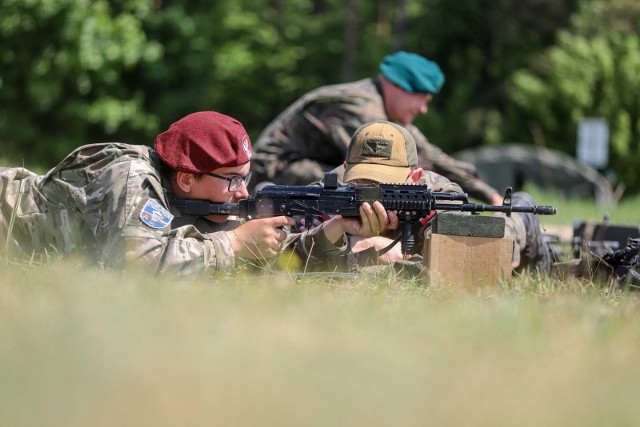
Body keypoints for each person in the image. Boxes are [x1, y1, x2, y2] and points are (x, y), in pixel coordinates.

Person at [0, 111, 396, 275]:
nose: (242, 191)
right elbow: (137, 263)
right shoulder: (130, 176)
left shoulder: (204, 199)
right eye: (231, 180)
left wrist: (333, 232)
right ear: (187, 178)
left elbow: (263, 261)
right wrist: (232, 246)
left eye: (246, 176)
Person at [251, 50, 503, 205]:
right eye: (422, 99)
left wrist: (490, 196)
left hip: (305, 168)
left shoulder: (384, 112)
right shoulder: (362, 108)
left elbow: (428, 155)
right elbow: (389, 165)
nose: (424, 109)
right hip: (273, 176)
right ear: (398, 87)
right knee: (372, 183)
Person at [311, 120, 552, 275]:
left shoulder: (440, 195)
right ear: (346, 169)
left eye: (385, 182)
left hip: (494, 239)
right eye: (363, 181)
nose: (372, 192)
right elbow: (286, 246)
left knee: (497, 242)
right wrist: (342, 239)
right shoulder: (331, 192)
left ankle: (524, 213)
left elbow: (458, 267)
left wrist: (392, 252)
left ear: (414, 177)